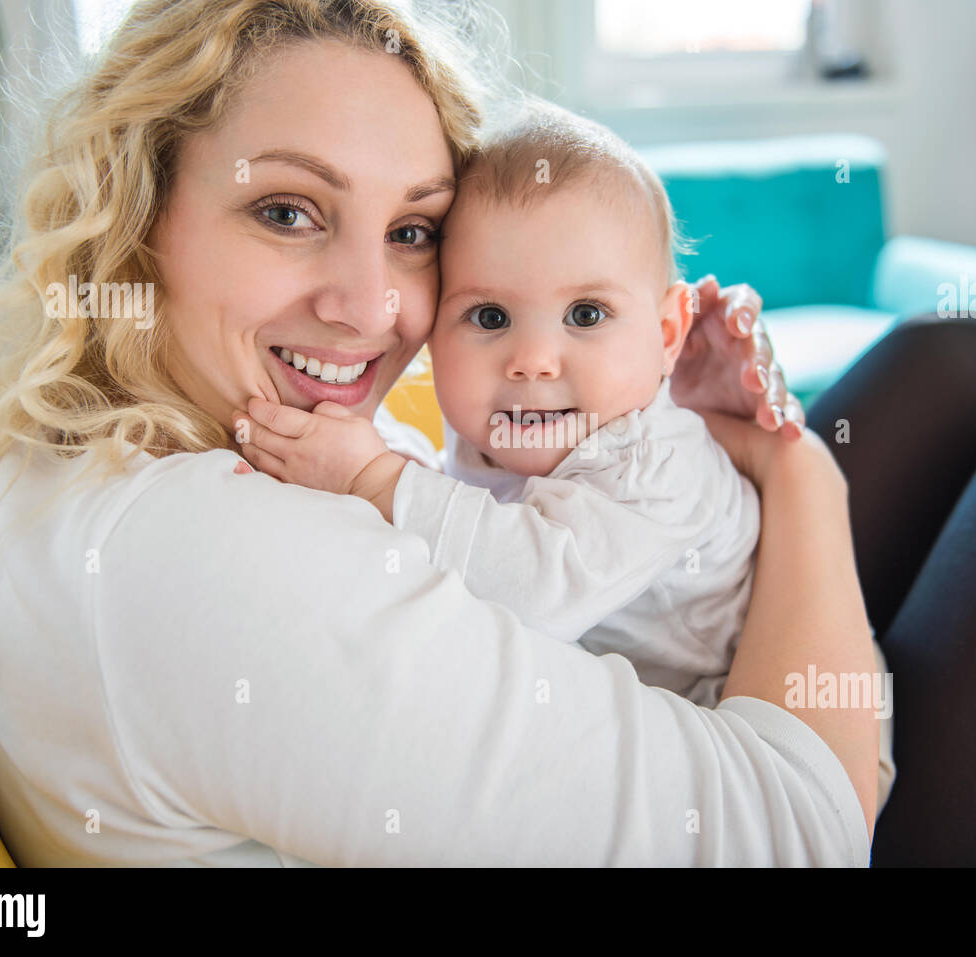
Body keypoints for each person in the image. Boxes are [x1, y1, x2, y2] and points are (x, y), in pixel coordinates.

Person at [0, 0, 881, 865]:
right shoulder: (210, 562)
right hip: (827, 777)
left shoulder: (94, 462)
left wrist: (677, 420)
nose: (372, 309)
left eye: (411, 233)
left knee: (954, 382)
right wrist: (793, 472)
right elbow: (801, 838)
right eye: (287, 212)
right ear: (139, 212)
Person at [235, 101, 898, 812]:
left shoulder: (651, 462)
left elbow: (533, 586)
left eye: (585, 314)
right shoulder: (505, 429)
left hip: (801, 737)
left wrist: (372, 475)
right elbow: (464, 512)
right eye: (489, 317)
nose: (532, 359)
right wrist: (373, 458)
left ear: (669, 331)